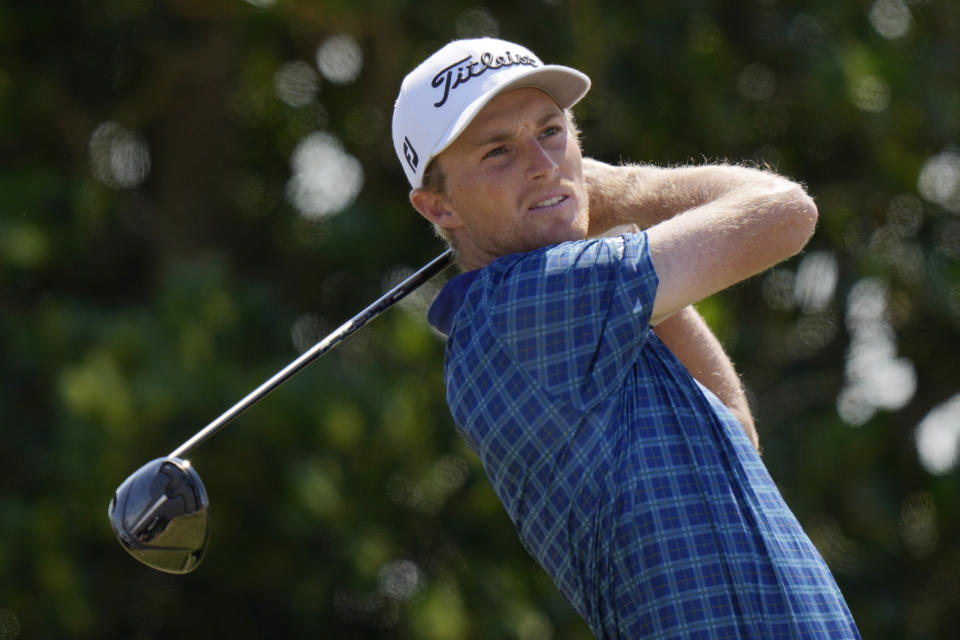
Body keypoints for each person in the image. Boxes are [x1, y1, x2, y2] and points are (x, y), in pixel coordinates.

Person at [392, 37, 860, 639]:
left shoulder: (576, 310)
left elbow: (734, 432)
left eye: (552, 131)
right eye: (499, 151)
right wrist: (624, 192)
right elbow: (784, 211)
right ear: (438, 208)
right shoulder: (521, 305)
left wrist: (597, 222)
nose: (543, 163)